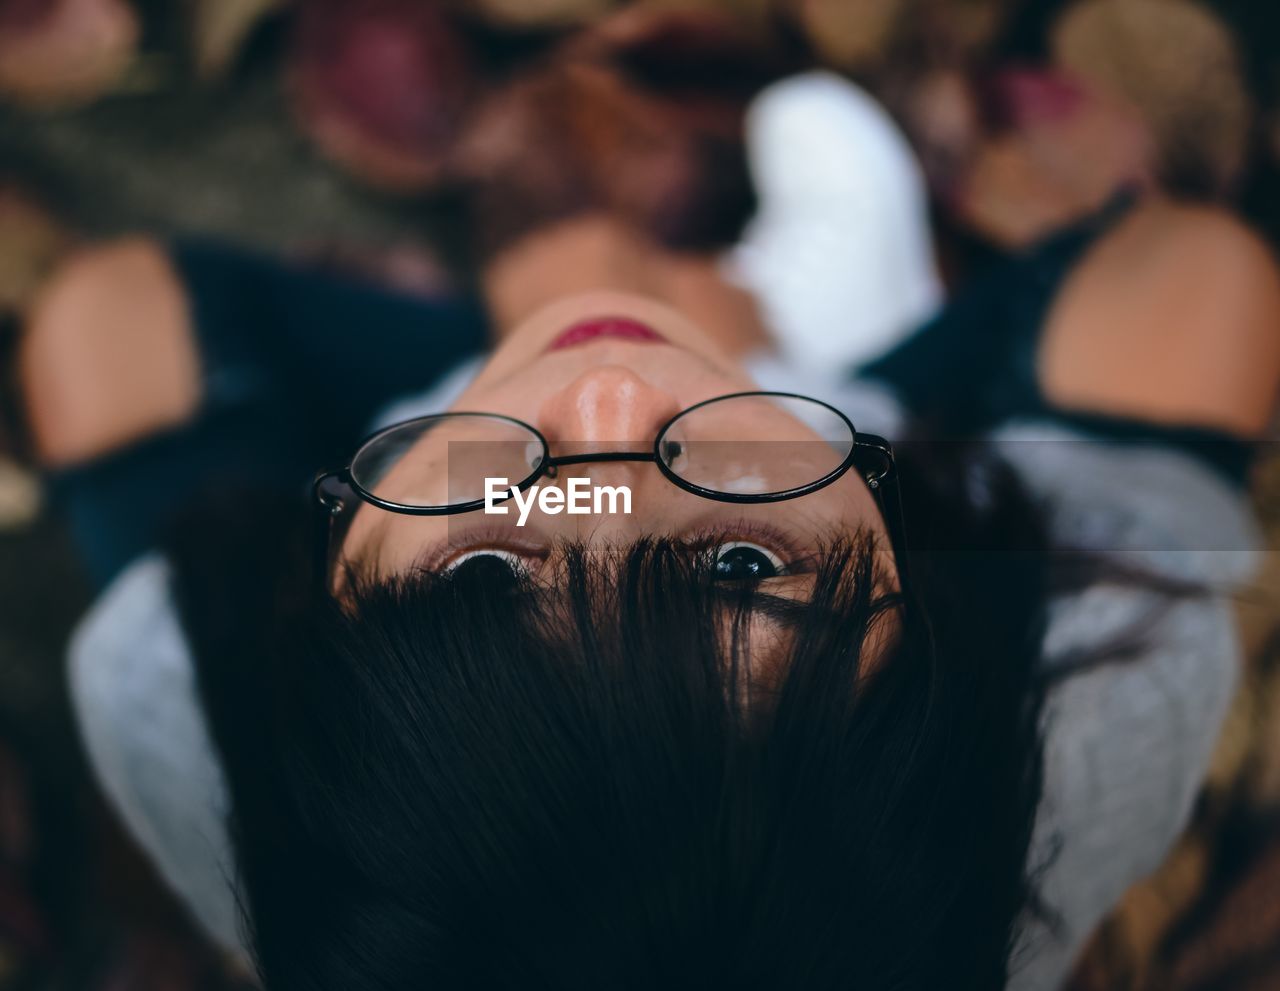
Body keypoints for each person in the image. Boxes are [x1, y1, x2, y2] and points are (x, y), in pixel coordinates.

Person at [14, 72, 1280, 989]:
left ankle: (524, 326)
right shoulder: (1103, 679)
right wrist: (762, 370)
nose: (609, 398)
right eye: (740, 567)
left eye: (481, 581)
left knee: (105, 316)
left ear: (323, 621)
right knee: (1204, 281)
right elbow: (1183, 279)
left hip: (401, 440)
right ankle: (807, 333)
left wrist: (536, 329)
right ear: (934, 645)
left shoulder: (179, 688)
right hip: (874, 427)